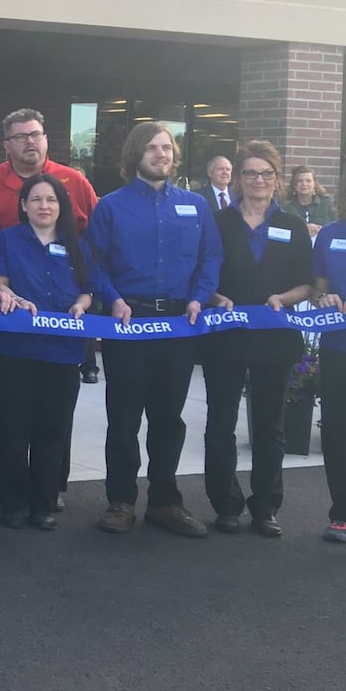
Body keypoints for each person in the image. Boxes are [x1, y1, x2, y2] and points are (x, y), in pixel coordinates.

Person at [85, 122, 221, 538]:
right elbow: (93, 261)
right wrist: (115, 299)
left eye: (166, 148)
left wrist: (200, 295)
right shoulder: (111, 206)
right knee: (123, 417)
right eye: (151, 148)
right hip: (128, 324)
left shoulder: (195, 206)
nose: (161, 154)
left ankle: (165, 502)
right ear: (135, 155)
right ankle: (121, 501)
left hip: (179, 325)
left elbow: (210, 258)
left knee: (168, 418)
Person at [202, 141, 312, 538]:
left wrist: (284, 298)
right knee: (220, 424)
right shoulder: (217, 222)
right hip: (225, 337)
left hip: (275, 337)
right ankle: (225, 504)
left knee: (270, 428)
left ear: (277, 179)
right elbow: (202, 275)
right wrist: (215, 298)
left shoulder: (292, 226)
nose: (258, 180)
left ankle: (265, 506)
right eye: (250, 172)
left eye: (266, 173)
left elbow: (306, 283)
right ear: (238, 178)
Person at [0, 174, 92, 529]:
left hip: (62, 352)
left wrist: (80, 304)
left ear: (60, 206)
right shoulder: (6, 240)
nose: (43, 206)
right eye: (36, 199)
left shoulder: (77, 244)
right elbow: (0, 282)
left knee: (52, 432)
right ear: (23, 205)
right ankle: (13, 503)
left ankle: (44, 504)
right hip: (14, 350)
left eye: (50, 200)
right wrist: (9, 296)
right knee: (12, 431)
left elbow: (88, 290)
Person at [311, 168, 346, 545]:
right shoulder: (331, 234)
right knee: (338, 431)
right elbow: (319, 288)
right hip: (338, 346)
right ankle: (343, 513)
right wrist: (323, 298)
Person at [282, 165, 333, 237]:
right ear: (294, 184)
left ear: (314, 184)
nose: (304, 184)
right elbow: (282, 233)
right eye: (300, 181)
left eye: (308, 181)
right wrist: (303, 229)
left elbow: (335, 228)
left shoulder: (327, 203)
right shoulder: (286, 207)